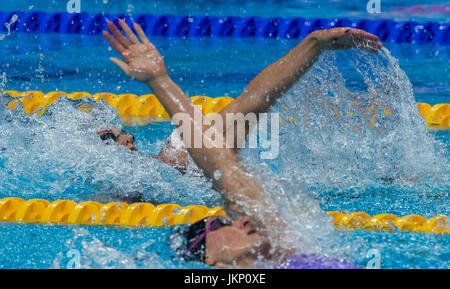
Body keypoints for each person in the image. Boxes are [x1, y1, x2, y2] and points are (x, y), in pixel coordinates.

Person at [102, 19, 382, 268]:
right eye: (222, 223)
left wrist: (314, 43)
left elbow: (248, 111)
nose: (244, 220)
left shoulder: (282, 254)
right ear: (208, 259)